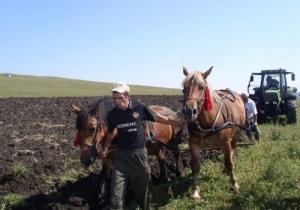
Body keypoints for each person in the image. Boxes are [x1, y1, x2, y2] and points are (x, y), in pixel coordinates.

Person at [100, 83, 184, 210]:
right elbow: (111, 134)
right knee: (116, 197)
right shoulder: (112, 114)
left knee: (142, 194)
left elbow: (158, 118)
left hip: (139, 155)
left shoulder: (139, 108)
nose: (117, 101)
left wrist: (176, 122)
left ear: (128, 96)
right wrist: (105, 148)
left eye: (120, 97)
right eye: (115, 98)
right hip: (121, 158)